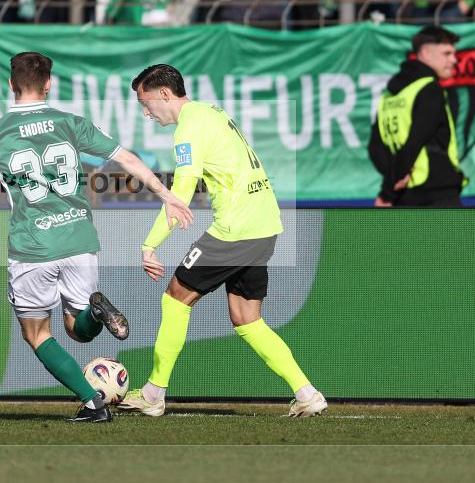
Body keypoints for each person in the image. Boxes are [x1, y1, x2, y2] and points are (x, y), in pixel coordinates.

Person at [0, 52, 194, 422]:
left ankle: (93, 403)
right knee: (78, 331)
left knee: (36, 332)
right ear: (48, 84)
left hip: (32, 247)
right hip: (79, 240)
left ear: (11, 85)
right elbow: (127, 158)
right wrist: (165, 194)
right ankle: (96, 311)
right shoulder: (69, 123)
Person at [117, 64, 326, 418]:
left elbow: (182, 188)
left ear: (164, 94)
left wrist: (150, 244)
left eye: (146, 103)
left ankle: (153, 394)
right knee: (247, 318)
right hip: (264, 223)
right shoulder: (209, 111)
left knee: (175, 298)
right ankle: (307, 393)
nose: (146, 113)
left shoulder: (188, 127)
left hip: (236, 228)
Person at [368, 26, 468, 207]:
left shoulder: (389, 95)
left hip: (404, 195)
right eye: (447, 54)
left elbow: (375, 147)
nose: (454, 60)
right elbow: (415, 142)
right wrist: (389, 191)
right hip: (437, 192)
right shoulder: (429, 89)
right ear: (426, 53)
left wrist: (391, 185)